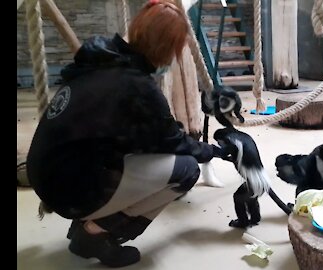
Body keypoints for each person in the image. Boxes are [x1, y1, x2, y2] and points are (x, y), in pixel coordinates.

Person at [26, 0, 229, 267]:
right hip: (71, 190)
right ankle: (94, 235)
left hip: (46, 175)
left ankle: (85, 225)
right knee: (186, 170)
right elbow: (175, 145)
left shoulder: (99, 58)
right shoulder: (137, 86)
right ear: (167, 49)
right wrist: (215, 151)